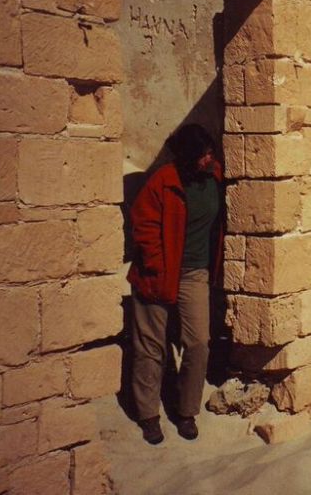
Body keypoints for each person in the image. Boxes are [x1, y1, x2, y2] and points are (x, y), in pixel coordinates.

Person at [126, 124, 224, 444]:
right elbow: (143, 226)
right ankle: (149, 415)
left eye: (210, 153)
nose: (208, 159)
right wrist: (156, 265)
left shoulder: (214, 176)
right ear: (185, 157)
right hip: (157, 273)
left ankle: (186, 411)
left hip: (195, 274)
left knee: (198, 343)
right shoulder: (163, 182)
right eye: (202, 155)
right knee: (151, 347)